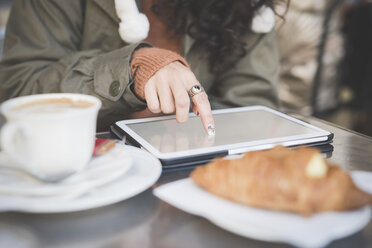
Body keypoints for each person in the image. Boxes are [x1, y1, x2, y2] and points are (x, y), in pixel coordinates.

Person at [0, 0, 282, 132]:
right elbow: (19, 90)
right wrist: (133, 68)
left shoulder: (247, 8)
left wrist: (182, 133)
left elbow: (252, 108)